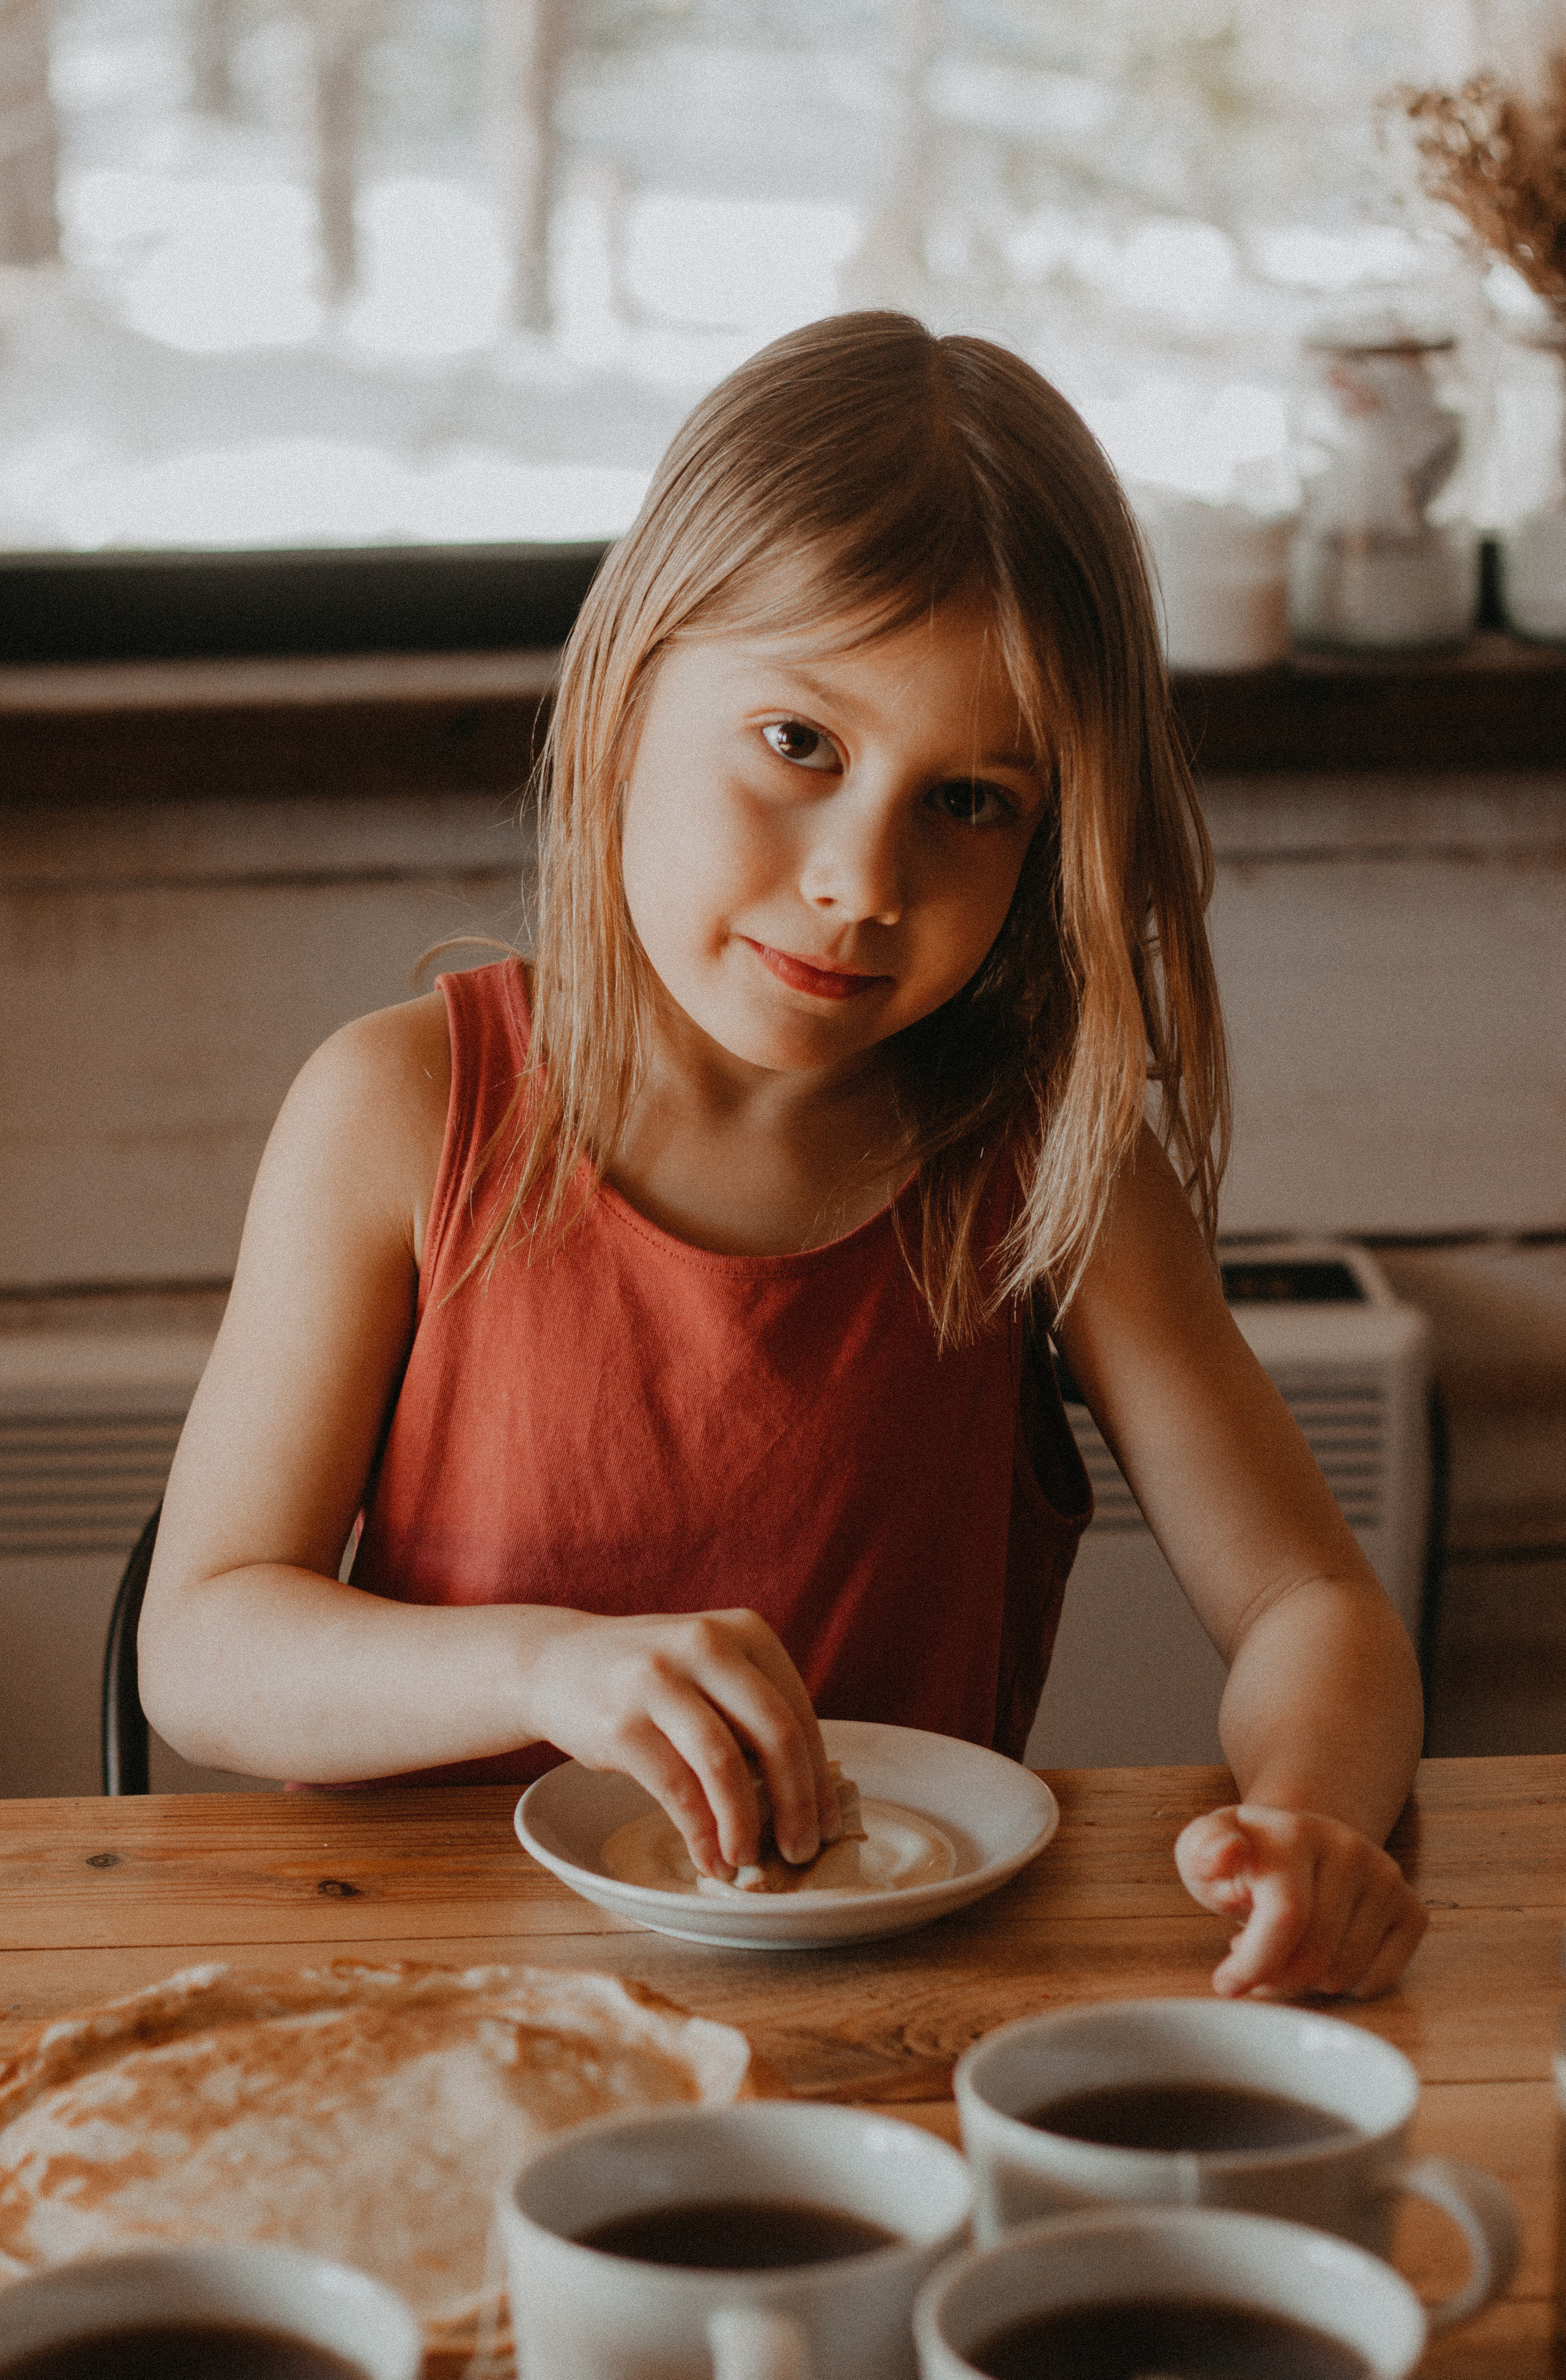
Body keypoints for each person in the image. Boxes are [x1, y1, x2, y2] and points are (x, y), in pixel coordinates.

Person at [139, 312, 1426, 2002]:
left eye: (968, 801)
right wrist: (551, 1672)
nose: (859, 881)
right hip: (433, 1999)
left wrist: (1315, 1815)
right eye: (800, 745)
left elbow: (1311, 1605)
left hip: (882, 2031)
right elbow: (206, 1644)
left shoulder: (1050, 1168)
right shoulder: (400, 1112)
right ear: (627, 690)